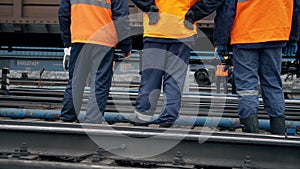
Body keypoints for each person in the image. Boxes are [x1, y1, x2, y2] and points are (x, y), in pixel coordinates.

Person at [130, 0, 226, 127]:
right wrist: (194, 14)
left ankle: (142, 116)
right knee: (174, 80)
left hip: (156, 30)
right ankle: (168, 119)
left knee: (150, 78)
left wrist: (149, 8)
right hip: (182, 32)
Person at [214, 0, 300, 134]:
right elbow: (296, 8)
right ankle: (279, 133)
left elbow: (227, 9)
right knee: (273, 83)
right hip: (275, 34)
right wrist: (293, 38)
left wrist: (221, 41)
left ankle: (251, 134)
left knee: (247, 88)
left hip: (245, 35)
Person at [58, 0, 132, 123]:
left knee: (76, 81)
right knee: (99, 82)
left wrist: (67, 41)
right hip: (104, 41)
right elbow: (121, 17)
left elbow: (63, 14)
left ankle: (67, 117)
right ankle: (92, 120)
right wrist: (126, 46)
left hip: (79, 39)